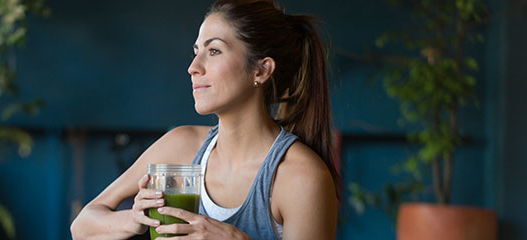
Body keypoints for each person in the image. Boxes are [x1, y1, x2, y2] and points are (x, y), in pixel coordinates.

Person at [70, 0, 339, 239]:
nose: (193, 67)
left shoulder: (301, 177)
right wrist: (135, 219)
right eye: (196, 51)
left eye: (214, 51)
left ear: (261, 69)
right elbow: (82, 227)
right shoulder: (181, 147)